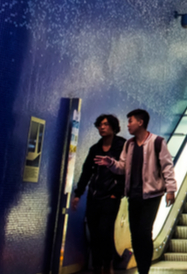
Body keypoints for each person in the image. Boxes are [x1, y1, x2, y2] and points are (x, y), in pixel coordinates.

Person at [95, 109, 177, 274]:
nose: (128, 125)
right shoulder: (129, 144)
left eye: (130, 121)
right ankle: (142, 268)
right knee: (135, 235)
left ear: (140, 122)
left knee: (145, 232)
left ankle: (144, 270)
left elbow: (167, 166)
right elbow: (122, 168)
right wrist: (111, 163)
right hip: (133, 195)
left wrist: (171, 189)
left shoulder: (157, 142)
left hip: (152, 195)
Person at [73, 115, 126, 274]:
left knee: (105, 231)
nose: (102, 127)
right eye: (100, 125)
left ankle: (108, 264)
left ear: (113, 127)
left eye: (105, 124)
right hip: (94, 196)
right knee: (94, 233)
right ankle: (97, 266)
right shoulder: (95, 149)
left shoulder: (122, 146)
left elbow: (125, 172)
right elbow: (86, 172)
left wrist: (117, 194)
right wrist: (79, 193)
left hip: (110, 196)